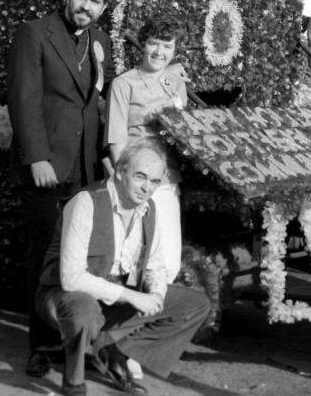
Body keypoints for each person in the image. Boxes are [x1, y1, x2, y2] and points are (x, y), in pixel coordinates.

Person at [7, 0, 117, 378]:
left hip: (85, 169)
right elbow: (23, 99)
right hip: (46, 167)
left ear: (103, 9)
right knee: (44, 258)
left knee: (80, 258)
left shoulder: (100, 41)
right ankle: (39, 345)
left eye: (95, 2)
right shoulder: (34, 33)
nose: (86, 7)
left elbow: (98, 103)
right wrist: (36, 158)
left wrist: (105, 154)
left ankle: (75, 339)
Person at [35, 140, 211, 396]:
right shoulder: (86, 202)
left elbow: (155, 264)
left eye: (154, 181)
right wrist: (134, 296)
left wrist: (156, 296)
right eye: (140, 177)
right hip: (64, 295)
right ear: (120, 171)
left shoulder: (148, 208)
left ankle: (115, 349)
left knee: (195, 305)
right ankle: (74, 380)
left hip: (114, 295)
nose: (147, 188)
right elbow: (71, 278)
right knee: (85, 311)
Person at [105, 17, 188, 285]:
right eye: (154, 44)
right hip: (133, 178)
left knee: (168, 258)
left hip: (165, 179)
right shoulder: (123, 84)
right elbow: (115, 139)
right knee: (129, 255)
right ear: (143, 45)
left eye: (167, 46)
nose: (159, 52)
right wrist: (125, 184)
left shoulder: (176, 84)